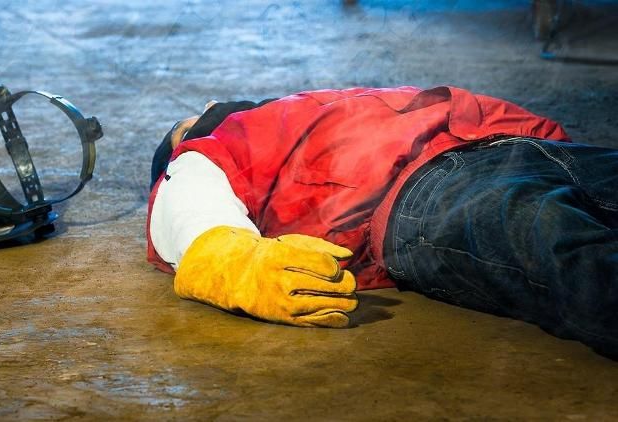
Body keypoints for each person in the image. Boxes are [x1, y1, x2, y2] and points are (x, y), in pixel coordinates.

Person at [147, 86, 618, 358]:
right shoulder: (215, 148)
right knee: (559, 242)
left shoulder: (317, 105)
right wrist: (232, 258)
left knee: (556, 230)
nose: (209, 109)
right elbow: (188, 199)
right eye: (185, 127)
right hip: (427, 192)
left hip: (519, 148)